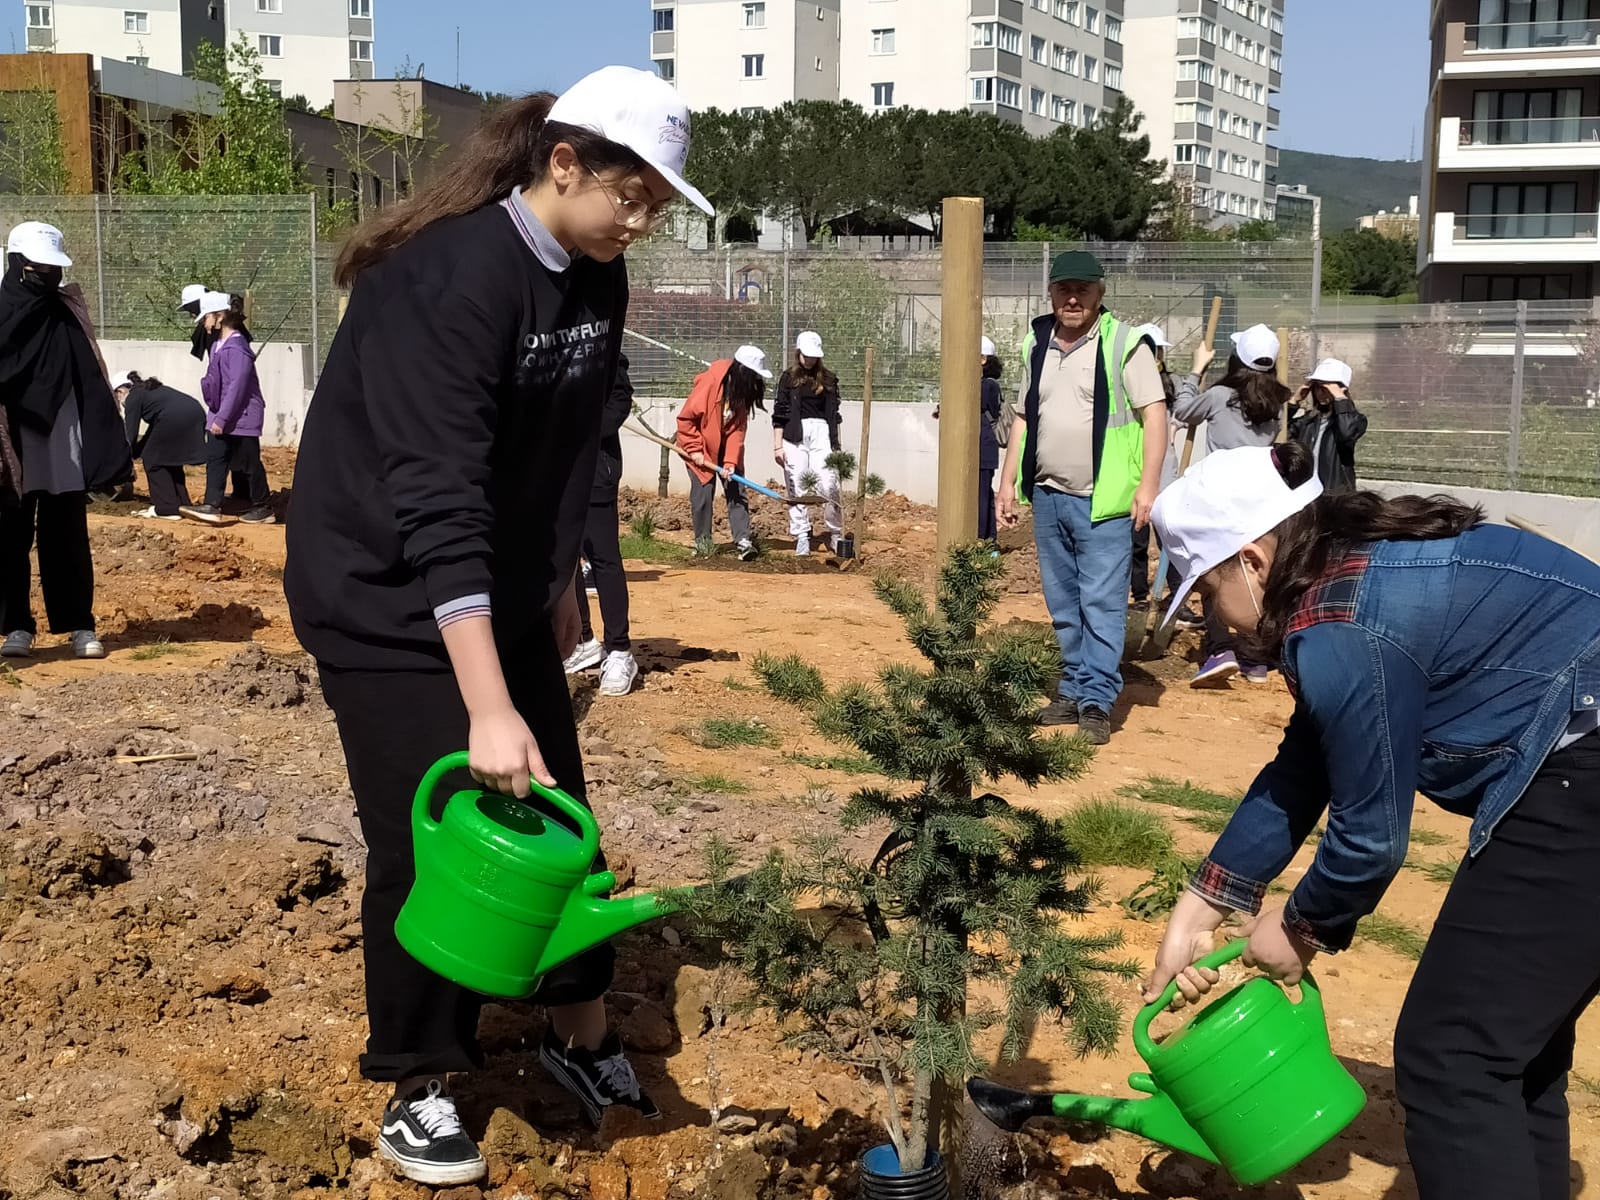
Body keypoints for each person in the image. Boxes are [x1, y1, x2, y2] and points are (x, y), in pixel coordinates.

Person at [284, 66, 712, 1186]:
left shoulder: (591, 277)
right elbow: (437, 497)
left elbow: (562, 451)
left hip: (495, 583)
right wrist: (484, 701)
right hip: (381, 592)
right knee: (434, 830)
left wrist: (557, 587)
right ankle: (420, 1081)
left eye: (658, 203)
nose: (642, 218)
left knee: (556, 818)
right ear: (561, 165)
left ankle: (577, 1036)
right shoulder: (446, 282)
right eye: (631, 193)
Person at [1144, 440, 1600, 1200]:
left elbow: (1370, 841)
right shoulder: (1346, 568)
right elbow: (1311, 756)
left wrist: (1299, 928)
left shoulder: (1342, 623)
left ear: (1254, 562)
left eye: (1204, 590)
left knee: (1453, 1058)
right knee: (1510, 1051)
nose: (1206, 619)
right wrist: (1210, 897)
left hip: (1586, 764)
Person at [996, 251, 1169, 745]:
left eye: (1084, 290)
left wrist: (1148, 485)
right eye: (1064, 289)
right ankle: (1072, 690)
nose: (1073, 299)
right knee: (1064, 603)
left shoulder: (1123, 344)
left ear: (1100, 294)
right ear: (1051, 292)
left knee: (1102, 604)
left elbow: (1155, 416)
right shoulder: (1037, 342)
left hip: (1105, 502)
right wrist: (1007, 483)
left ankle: (1096, 699)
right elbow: (1025, 418)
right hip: (1049, 495)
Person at [0, 221, 131, 662]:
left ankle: (80, 624)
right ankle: (16, 625)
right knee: (10, 537)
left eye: (51, 267)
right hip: (13, 445)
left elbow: (89, 378)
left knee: (67, 534)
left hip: (64, 441)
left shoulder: (68, 311)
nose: (46, 275)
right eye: (37, 267)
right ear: (17, 265)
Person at [1171, 323, 1289, 688]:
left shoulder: (1221, 395)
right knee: (1257, 573)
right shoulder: (1277, 403)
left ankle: (1220, 648)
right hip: (1262, 498)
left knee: (1213, 570)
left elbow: (1182, 411)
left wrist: (1195, 370)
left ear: (1236, 358)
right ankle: (1255, 656)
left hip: (1220, 496)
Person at [564, 352, 639, 696]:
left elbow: (619, 401)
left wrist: (582, 433)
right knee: (566, 559)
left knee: (604, 560)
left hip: (595, 471)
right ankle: (583, 640)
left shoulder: (603, 348)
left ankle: (619, 649)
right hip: (556, 475)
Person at [181, 291, 273, 526]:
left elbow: (237, 387)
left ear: (219, 316)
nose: (204, 322)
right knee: (216, 457)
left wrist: (221, 418)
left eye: (206, 317)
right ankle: (212, 505)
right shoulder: (219, 346)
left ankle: (263, 507)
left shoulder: (236, 348)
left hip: (241, 417)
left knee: (250, 463)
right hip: (223, 415)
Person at [677, 344, 769, 562]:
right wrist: (695, 450)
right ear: (743, 372)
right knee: (703, 493)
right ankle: (703, 543)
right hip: (700, 446)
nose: (758, 382)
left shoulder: (742, 394)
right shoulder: (710, 383)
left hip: (726, 447)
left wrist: (730, 462)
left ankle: (743, 540)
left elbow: (737, 430)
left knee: (736, 489)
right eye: (755, 376)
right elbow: (686, 419)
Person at [772, 331, 842, 556]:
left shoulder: (829, 380)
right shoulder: (788, 378)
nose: (810, 360)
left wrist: (836, 445)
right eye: (806, 355)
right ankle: (802, 534)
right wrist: (777, 445)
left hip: (822, 435)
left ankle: (836, 533)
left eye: (814, 356)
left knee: (828, 483)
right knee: (798, 485)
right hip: (794, 435)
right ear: (798, 352)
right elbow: (780, 413)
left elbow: (834, 415)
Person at [1128, 323, 1181, 607]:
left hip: (1165, 473)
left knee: (1169, 538)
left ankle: (1174, 595)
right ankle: (1139, 593)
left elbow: (1185, 409)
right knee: (1136, 539)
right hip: (1133, 469)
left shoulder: (1170, 383)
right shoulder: (1126, 379)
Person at [113, 370, 206, 520]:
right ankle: (182, 504)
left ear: (120, 391)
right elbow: (152, 432)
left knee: (152, 459)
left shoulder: (133, 397)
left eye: (116, 396)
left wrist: (121, 460)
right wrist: (135, 452)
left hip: (174, 418)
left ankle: (166, 508)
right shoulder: (149, 392)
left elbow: (130, 435)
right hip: (194, 413)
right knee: (170, 460)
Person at [1289, 357, 1367, 493]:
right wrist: (1293, 402)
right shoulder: (1308, 421)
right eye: (1317, 388)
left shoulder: (1356, 420)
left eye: (1326, 388)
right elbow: (1282, 431)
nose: (1320, 393)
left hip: (1335, 494)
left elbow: (1346, 433)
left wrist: (1340, 398)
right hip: (1306, 490)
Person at [978, 335, 1003, 542]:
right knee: (983, 495)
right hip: (983, 446)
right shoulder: (987, 384)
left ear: (984, 359)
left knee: (981, 496)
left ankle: (981, 539)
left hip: (983, 446)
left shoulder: (987, 385)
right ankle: (989, 541)